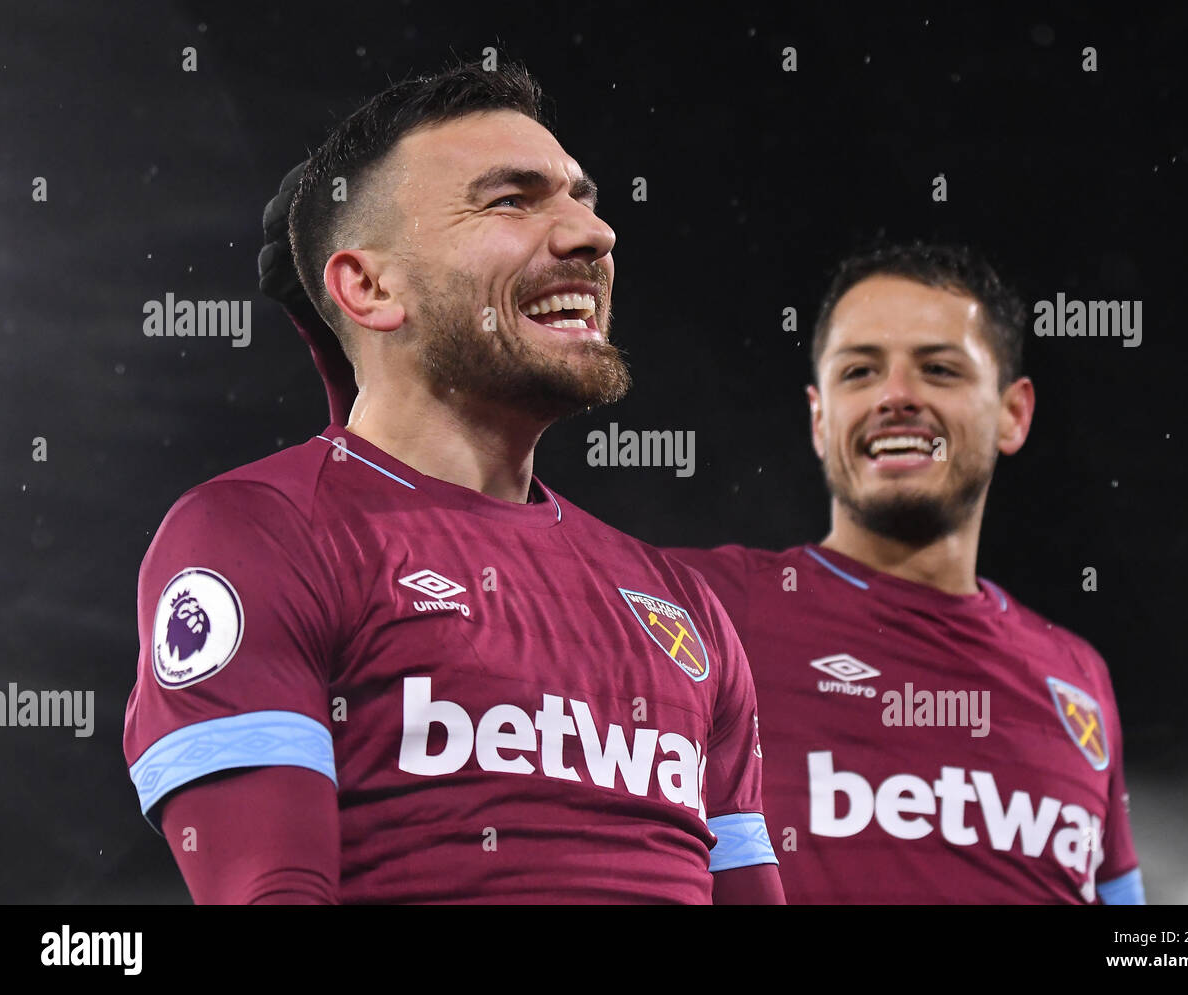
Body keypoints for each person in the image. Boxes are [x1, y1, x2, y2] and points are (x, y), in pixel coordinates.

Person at [123, 61, 782, 904]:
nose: (593, 232)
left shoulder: (683, 608)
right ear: (367, 285)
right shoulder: (258, 536)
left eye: (582, 197)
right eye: (512, 199)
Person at [669, 241, 1144, 904]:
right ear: (818, 417)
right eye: (859, 371)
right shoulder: (701, 608)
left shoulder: (1080, 677)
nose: (895, 396)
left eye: (939, 369)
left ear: (1014, 412)